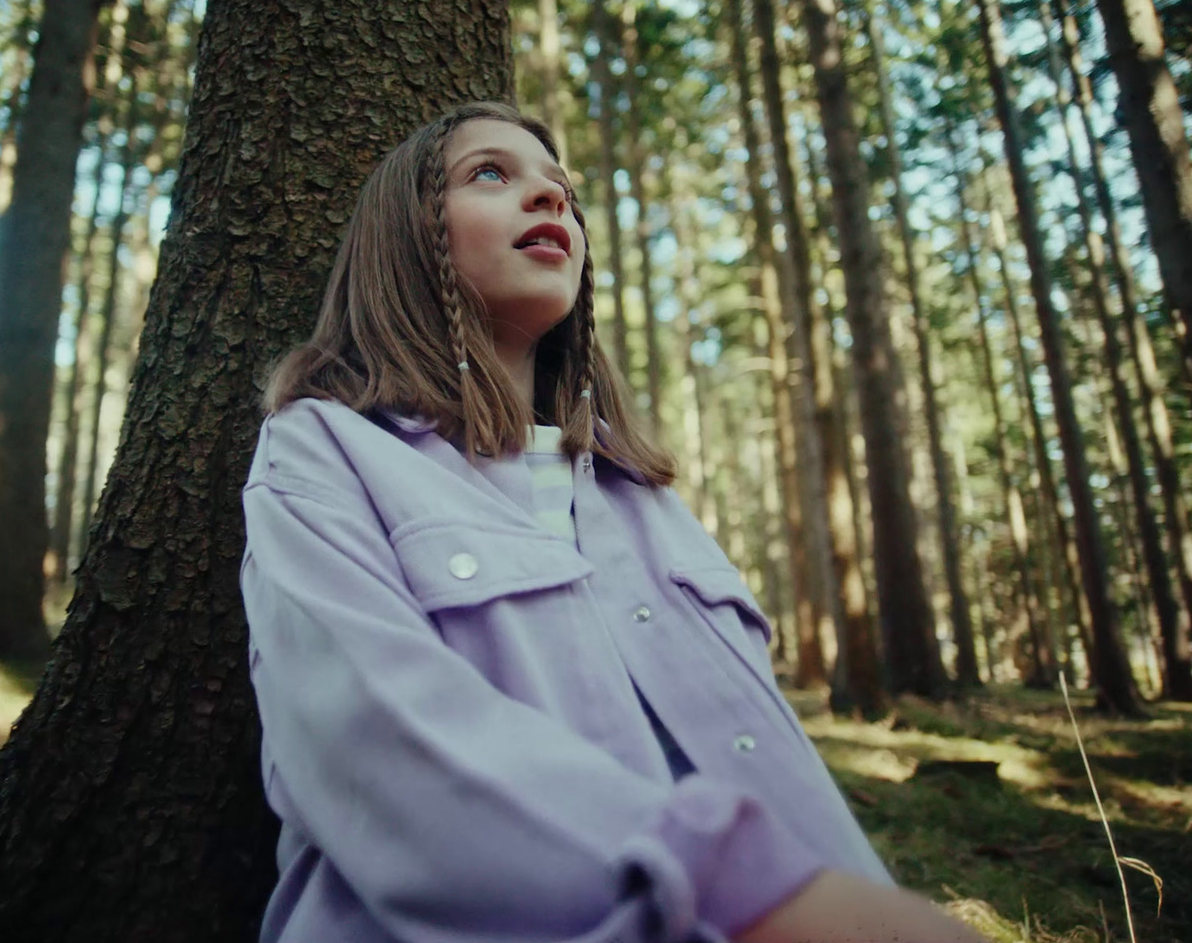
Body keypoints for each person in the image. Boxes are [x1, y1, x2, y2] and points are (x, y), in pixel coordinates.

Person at [239, 101, 985, 943]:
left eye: (563, 190)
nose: (551, 200)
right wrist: (757, 896)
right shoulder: (324, 449)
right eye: (492, 173)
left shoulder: (643, 496)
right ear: (405, 235)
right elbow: (370, 746)